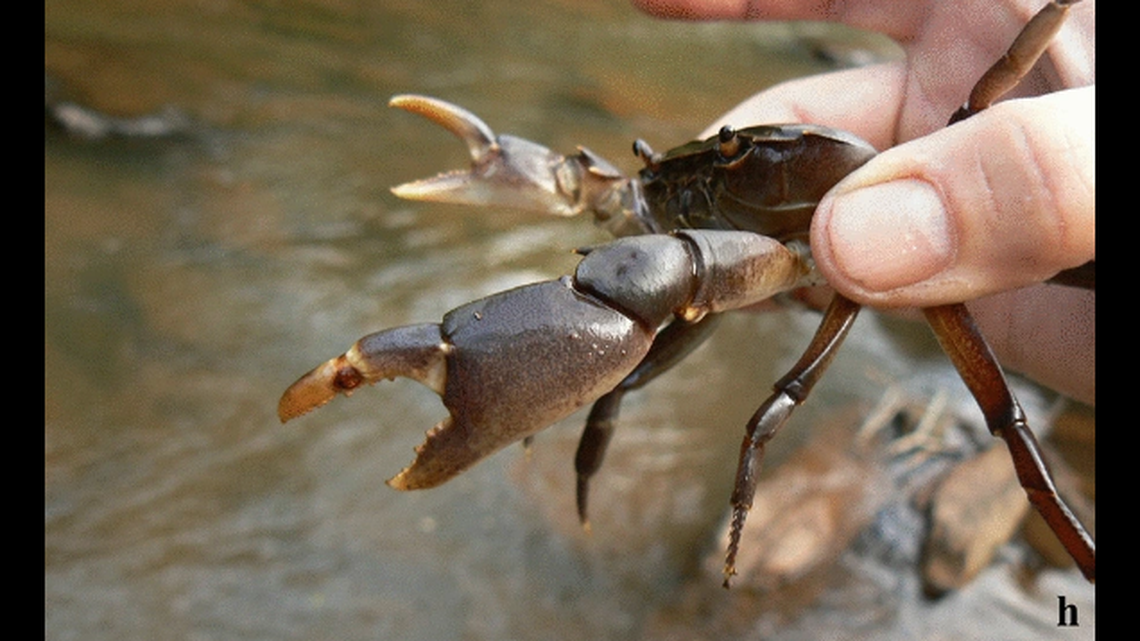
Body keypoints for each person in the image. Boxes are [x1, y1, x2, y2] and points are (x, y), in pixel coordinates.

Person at [633, 0, 1095, 405]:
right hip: (784, 267)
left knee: (1003, 415)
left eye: (733, 154)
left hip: (822, 259)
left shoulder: (870, 226)